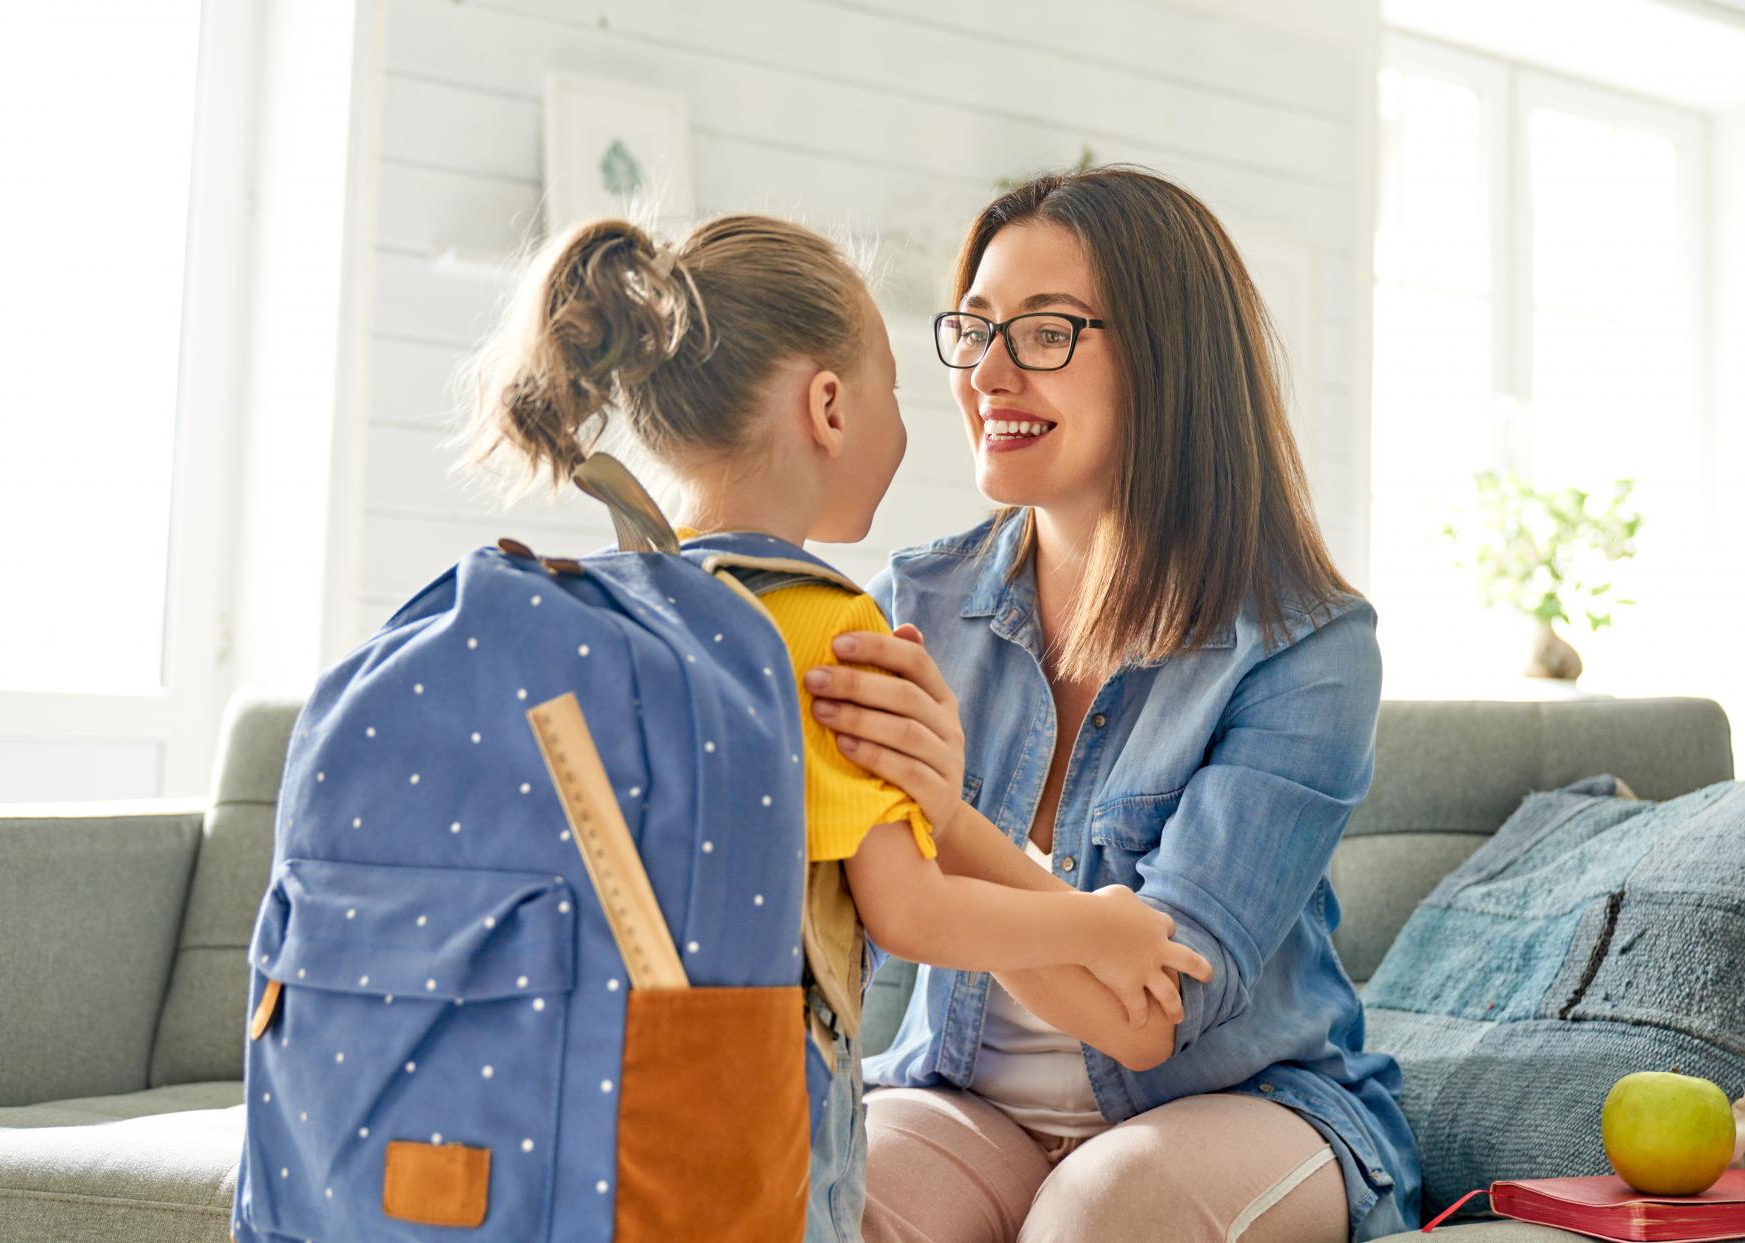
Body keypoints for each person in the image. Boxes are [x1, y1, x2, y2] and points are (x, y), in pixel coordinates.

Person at [459, 211, 1208, 1243]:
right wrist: (1100, 923)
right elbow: (912, 912)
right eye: (893, 389)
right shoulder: (821, 625)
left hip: (593, 1092)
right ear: (828, 407)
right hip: (753, 1110)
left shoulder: (612, 606)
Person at [801, 168, 1424, 1241]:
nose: (988, 373)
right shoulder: (918, 605)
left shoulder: (1309, 645)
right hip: (963, 1098)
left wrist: (948, 819)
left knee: (1099, 1217)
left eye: (1044, 333)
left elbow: (1159, 1016)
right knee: (832, 1203)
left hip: (1239, 1105)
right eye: (977, 328)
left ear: (1168, 364)